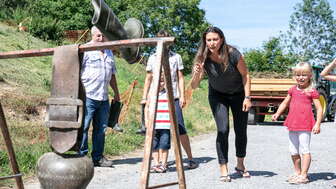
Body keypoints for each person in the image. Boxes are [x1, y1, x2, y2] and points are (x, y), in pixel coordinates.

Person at [191, 26, 251, 182]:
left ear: (221, 39)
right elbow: (194, 85)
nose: (212, 43)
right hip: (218, 96)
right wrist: (197, 74)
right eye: (209, 40)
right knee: (223, 130)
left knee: (240, 130)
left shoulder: (233, 54)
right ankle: (223, 168)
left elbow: (245, 75)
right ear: (205, 41)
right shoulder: (202, 57)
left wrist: (248, 97)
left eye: (215, 39)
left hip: (239, 95)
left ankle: (240, 165)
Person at [141, 30, 198, 169]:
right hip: (156, 97)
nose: (163, 43)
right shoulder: (152, 57)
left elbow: (180, 77)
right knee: (156, 127)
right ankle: (158, 162)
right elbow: (148, 78)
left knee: (180, 128)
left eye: (166, 40)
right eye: (160, 40)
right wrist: (144, 97)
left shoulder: (176, 57)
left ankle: (190, 158)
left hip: (173, 97)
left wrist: (183, 96)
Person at [272, 62, 322, 184]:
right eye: (298, 75)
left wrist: (318, 123)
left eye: (304, 75)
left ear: (310, 75)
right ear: (295, 76)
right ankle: (297, 172)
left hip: (305, 125)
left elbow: (319, 108)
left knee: (305, 150)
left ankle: (304, 175)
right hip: (292, 124)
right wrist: (277, 113)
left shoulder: (312, 91)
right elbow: (285, 103)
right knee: (293, 151)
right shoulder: (292, 90)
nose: (300, 77)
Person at [79, 26, 120, 167]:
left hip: (103, 97)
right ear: (92, 35)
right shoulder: (85, 50)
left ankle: (97, 158)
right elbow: (77, 72)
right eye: (98, 36)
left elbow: (112, 75)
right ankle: (81, 158)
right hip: (88, 96)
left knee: (101, 129)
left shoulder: (109, 52)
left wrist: (116, 93)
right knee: (83, 127)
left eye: (103, 36)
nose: (101, 39)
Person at [146, 73, 171, 173]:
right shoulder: (151, 93)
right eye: (158, 81)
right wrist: (147, 121)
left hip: (165, 124)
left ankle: (163, 164)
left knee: (164, 145)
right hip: (154, 125)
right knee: (154, 145)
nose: (160, 83)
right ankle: (156, 163)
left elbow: (171, 108)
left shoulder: (168, 94)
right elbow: (147, 107)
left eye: (162, 81)